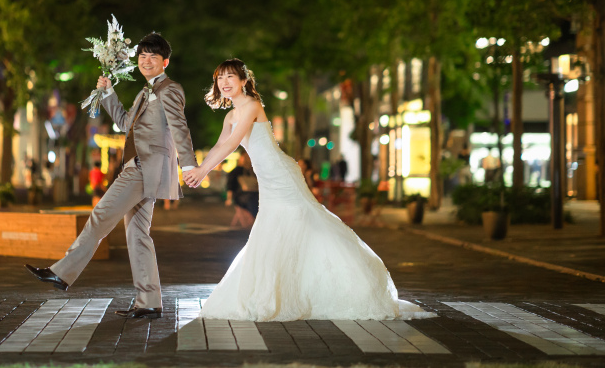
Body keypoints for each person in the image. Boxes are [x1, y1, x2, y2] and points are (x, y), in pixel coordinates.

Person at [183, 59, 434, 321]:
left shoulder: (252, 106)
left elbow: (232, 144)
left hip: (282, 175)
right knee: (274, 229)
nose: (224, 83)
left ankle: (347, 286)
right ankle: (277, 291)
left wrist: (202, 172)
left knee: (306, 224)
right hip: (268, 180)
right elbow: (218, 146)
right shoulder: (231, 115)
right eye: (220, 78)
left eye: (230, 77)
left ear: (244, 81)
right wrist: (201, 169)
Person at [25, 33, 198, 320]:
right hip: (140, 168)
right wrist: (107, 92)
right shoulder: (144, 93)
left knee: (100, 215)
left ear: (165, 62)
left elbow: (180, 127)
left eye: (153, 57)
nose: (146, 61)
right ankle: (149, 301)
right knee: (138, 234)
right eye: (142, 57)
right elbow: (123, 123)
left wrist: (189, 166)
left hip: (144, 168)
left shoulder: (170, 89)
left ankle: (61, 272)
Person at [226, 151, 257, 228]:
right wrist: (229, 198)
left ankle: (259, 220)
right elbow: (230, 186)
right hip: (241, 196)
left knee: (258, 199)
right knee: (253, 200)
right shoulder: (236, 171)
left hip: (254, 194)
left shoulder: (253, 170)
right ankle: (257, 220)